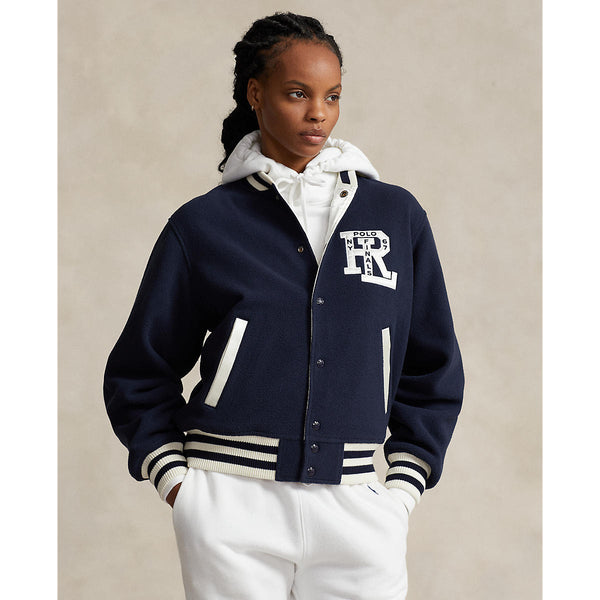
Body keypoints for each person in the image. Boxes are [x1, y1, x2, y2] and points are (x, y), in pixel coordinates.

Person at [103, 11, 464, 600]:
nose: (318, 112)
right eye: (298, 94)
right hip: (229, 500)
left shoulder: (394, 217)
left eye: (332, 96)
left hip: (357, 505)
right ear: (256, 94)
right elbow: (139, 370)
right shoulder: (205, 224)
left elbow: (433, 364)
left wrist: (401, 490)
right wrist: (180, 485)